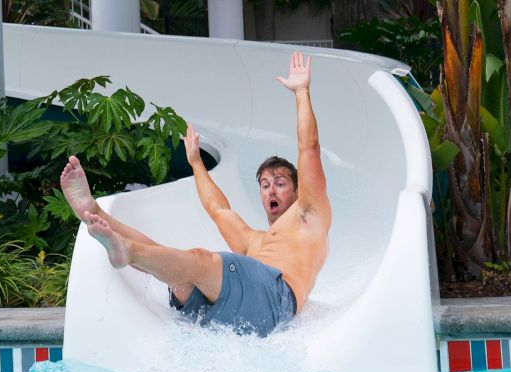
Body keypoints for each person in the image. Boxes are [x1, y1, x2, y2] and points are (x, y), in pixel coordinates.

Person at [59, 51, 330, 337]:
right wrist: (196, 163)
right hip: (234, 311)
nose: (271, 189)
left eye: (280, 182)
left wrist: (301, 93)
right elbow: (218, 210)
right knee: (178, 272)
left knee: (201, 260)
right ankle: (97, 213)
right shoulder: (253, 242)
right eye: (265, 184)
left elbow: (308, 149)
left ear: (298, 189)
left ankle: (126, 251)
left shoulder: (309, 215)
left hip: (275, 301)